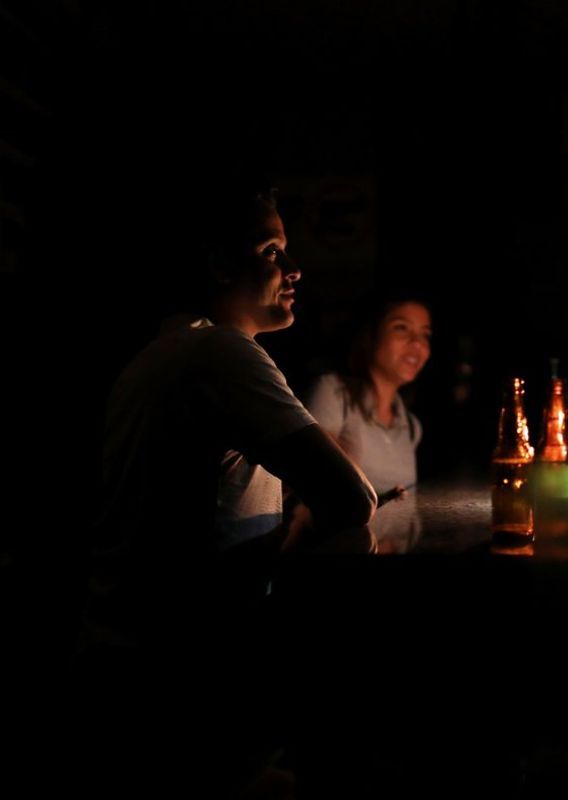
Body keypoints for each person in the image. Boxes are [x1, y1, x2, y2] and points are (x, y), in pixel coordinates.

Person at [77, 179, 377, 795]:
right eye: (271, 251)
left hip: (130, 669)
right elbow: (352, 500)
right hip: (179, 685)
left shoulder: (168, 349)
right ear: (218, 263)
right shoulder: (219, 352)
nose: (293, 269)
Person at [306, 295, 432, 552]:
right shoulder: (333, 393)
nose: (417, 343)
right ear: (370, 335)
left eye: (425, 334)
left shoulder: (411, 426)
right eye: (401, 328)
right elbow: (314, 482)